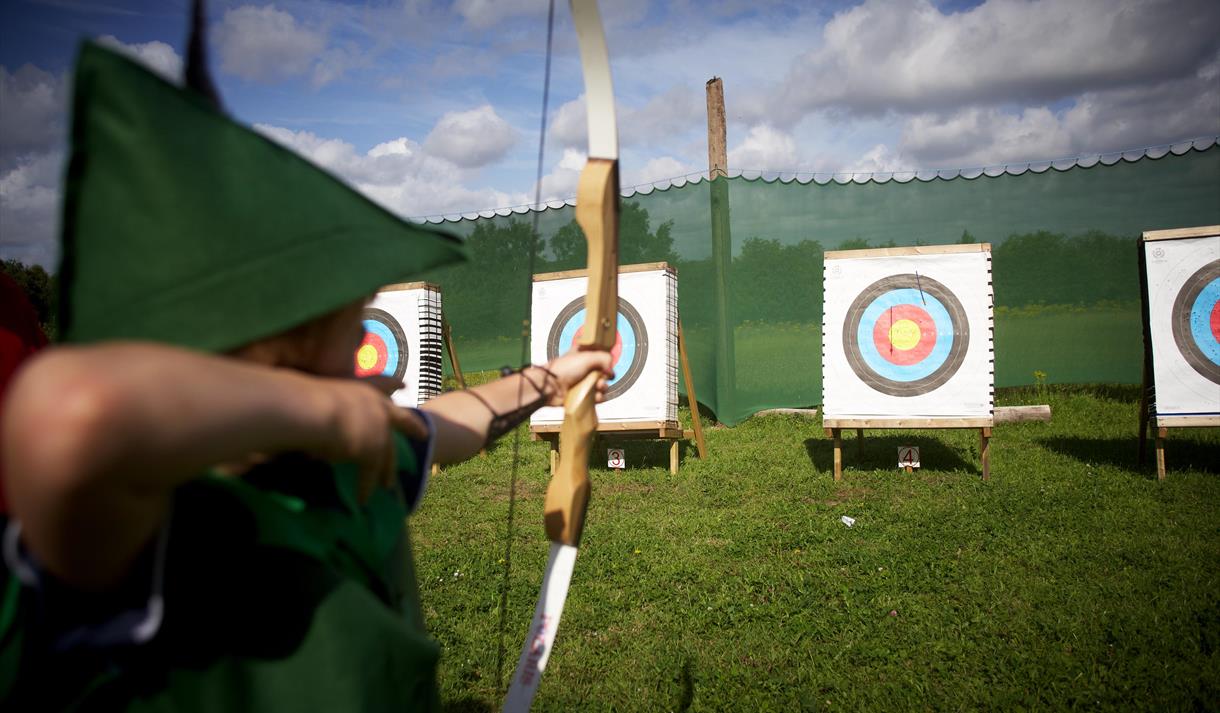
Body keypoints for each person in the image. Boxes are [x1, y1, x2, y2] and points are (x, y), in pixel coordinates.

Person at [0, 37, 611, 712]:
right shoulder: (150, 524)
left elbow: (453, 424)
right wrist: (326, 412)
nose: (362, 357)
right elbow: (68, 412)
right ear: (279, 347)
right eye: (353, 327)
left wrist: (554, 378)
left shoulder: (342, 463)